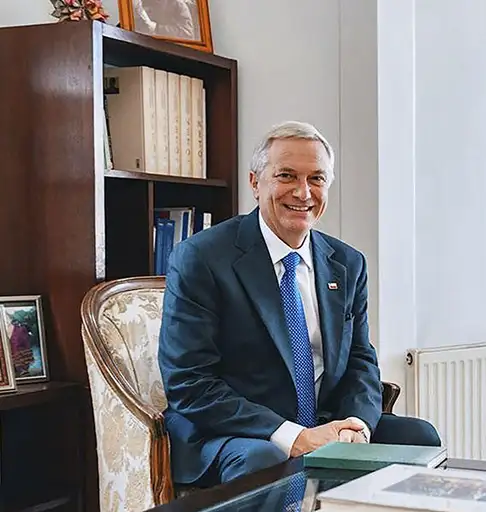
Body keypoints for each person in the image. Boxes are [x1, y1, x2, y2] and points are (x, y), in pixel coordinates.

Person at [159, 121, 441, 488]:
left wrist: (355, 425)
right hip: (235, 431)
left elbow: (360, 360)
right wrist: (293, 436)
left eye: (317, 179)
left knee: (419, 437)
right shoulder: (201, 258)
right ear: (255, 183)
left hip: (322, 420)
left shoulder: (347, 263)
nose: (303, 192)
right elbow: (189, 382)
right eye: (286, 176)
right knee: (265, 459)